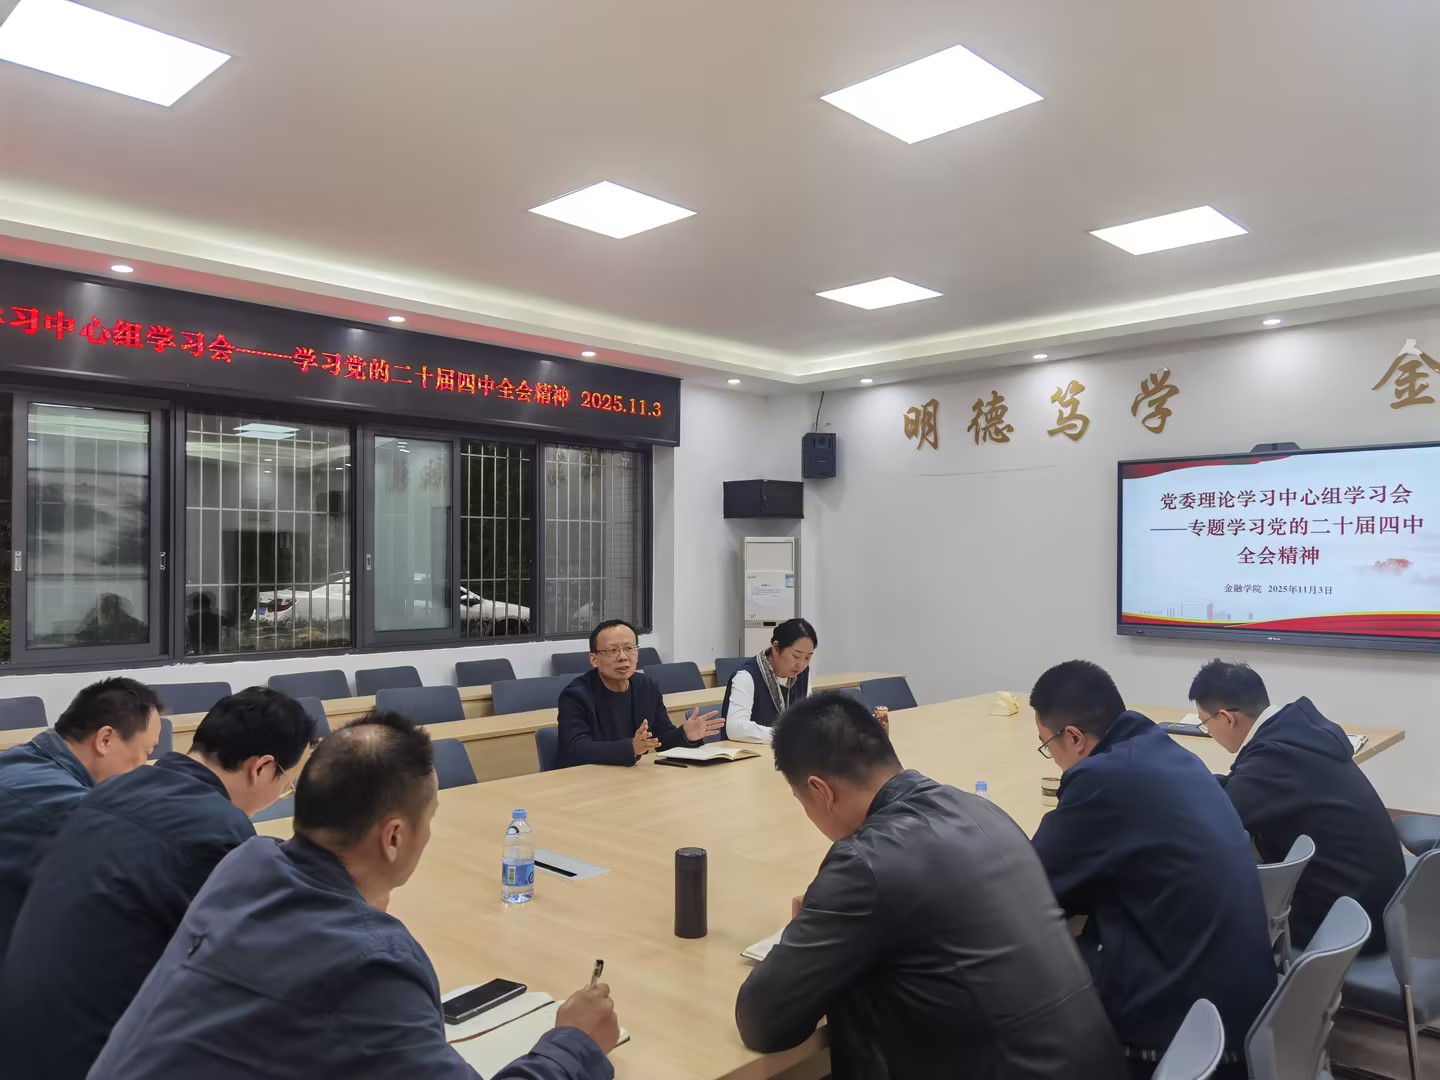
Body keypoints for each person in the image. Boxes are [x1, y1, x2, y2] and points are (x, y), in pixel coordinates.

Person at [89, 710, 619, 1079]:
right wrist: (574, 1044)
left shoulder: (244, 865)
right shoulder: (371, 964)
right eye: (428, 819)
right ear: (394, 837)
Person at [735, 692, 1126, 1080]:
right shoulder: (980, 809)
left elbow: (764, 1020)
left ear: (821, 791)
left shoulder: (864, 862)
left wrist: (808, 928)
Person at [0, 687, 318, 1080]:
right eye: (286, 782)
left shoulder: (114, 789)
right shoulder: (219, 829)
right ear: (262, 767)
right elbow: (257, 970)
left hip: (22, 1033)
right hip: (89, 1058)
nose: (281, 794)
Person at [1029, 661, 1275, 1078]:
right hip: (1240, 1015)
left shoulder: (1102, 778)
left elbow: (1032, 887)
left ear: (1073, 737)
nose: (1051, 757)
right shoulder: (1165, 751)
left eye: (1046, 744)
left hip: (1179, 1033)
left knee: (1019, 971)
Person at [1189, 659, 1404, 954]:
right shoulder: (1294, 732)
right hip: (1378, 903)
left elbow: (1214, 823)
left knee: (1201, 895)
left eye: (1205, 723)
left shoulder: (1274, 758)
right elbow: (1238, 787)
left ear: (1226, 718)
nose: (1208, 732)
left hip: (1344, 920)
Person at [0, 677, 161, 960]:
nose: (144, 768)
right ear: (105, 739)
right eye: (145, 753)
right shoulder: (68, 809)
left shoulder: (20, 759)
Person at [555, 619, 723, 767]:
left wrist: (685, 735)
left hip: (633, 777)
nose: (623, 657)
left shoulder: (646, 687)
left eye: (629, 648)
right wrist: (631, 747)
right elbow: (576, 749)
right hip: (589, 780)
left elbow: (662, 739)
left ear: (637, 653)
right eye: (612, 650)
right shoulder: (575, 695)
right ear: (593, 659)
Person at [722, 617, 816, 743]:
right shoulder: (746, 676)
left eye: (807, 658)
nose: (801, 664)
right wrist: (783, 735)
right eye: (796, 656)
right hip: (748, 752)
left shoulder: (803, 674)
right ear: (776, 648)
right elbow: (735, 728)